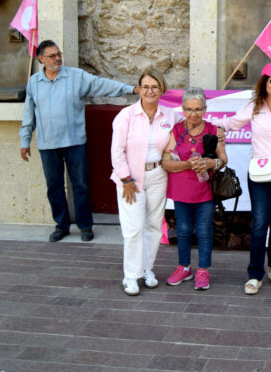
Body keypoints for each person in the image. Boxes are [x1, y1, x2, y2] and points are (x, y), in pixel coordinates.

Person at [19, 40, 139, 242]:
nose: (58, 58)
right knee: (54, 187)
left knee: (80, 185)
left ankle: (85, 226)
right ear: (41, 59)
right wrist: (24, 140)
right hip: (47, 144)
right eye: (52, 56)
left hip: (74, 142)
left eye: (59, 54)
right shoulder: (34, 82)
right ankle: (61, 225)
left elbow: (103, 85)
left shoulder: (76, 76)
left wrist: (131, 89)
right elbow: (29, 113)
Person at [216, 63, 271, 295]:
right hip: (260, 171)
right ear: (264, 82)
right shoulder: (254, 105)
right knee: (260, 221)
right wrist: (210, 125)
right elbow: (231, 123)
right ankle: (255, 273)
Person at [110, 69, 175, 296]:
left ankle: (147, 269)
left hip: (158, 176)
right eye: (145, 86)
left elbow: (177, 141)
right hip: (131, 179)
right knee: (133, 228)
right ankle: (130, 275)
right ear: (138, 89)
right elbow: (117, 151)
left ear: (162, 90)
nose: (150, 91)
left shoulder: (169, 115)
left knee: (154, 227)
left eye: (155, 87)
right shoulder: (125, 116)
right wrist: (126, 179)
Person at [162, 87, 228, 291]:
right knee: (182, 230)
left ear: (205, 109)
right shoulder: (176, 131)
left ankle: (203, 270)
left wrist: (211, 164)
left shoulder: (213, 130)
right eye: (189, 109)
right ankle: (184, 267)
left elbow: (223, 159)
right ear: (182, 109)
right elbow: (165, 161)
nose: (193, 114)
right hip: (181, 189)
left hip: (205, 191)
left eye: (198, 109)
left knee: (204, 231)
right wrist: (188, 164)